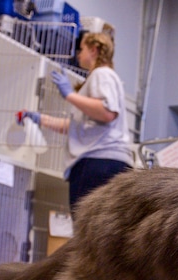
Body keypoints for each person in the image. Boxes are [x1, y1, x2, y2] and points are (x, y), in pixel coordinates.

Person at [19, 32, 133, 215]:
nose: (78, 54)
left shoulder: (101, 74)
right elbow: (78, 126)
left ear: (94, 50)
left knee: (87, 229)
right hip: (107, 162)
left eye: (82, 49)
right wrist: (40, 119)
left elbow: (107, 112)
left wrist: (69, 95)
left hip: (97, 162)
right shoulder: (101, 78)